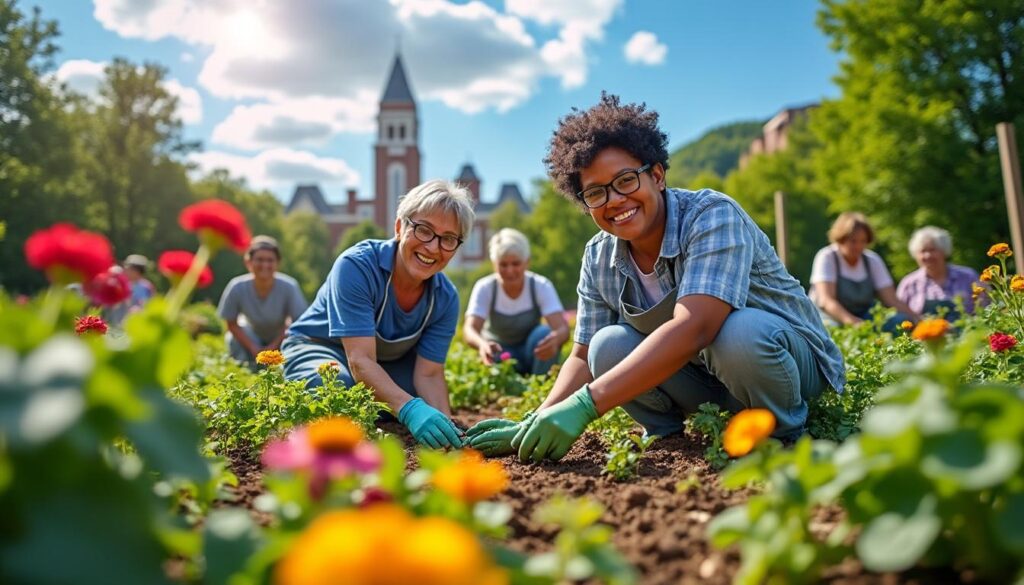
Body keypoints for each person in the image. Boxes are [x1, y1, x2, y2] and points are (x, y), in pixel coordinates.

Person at [465, 94, 845, 462]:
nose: (615, 200)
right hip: (710, 381)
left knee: (739, 332)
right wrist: (538, 417)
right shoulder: (599, 256)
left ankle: (782, 436)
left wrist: (586, 405)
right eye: (595, 193)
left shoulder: (711, 216)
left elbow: (696, 327)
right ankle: (668, 437)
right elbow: (581, 356)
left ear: (657, 176)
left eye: (626, 180)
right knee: (606, 346)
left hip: (785, 369)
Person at [281, 180, 474, 450]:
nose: (433, 247)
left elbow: (429, 375)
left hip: (383, 362)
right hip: (323, 348)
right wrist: (409, 409)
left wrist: (447, 428)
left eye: (448, 239)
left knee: (409, 395)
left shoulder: (445, 297)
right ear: (399, 227)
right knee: (335, 389)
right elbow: (360, 359)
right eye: (423, 230)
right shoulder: (357, 266)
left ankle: (377, 407)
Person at [463, 228, 569, 375]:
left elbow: (562, 328)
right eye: (503, 264)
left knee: (545, 333)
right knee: (494, 353)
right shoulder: (486, 287)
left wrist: (555, 340)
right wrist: (482, 344)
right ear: (494, 264)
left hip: (532, 352)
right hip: (500, 354)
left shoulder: (540, 286)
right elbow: (470, 329)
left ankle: (541, 381)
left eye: (516, 264)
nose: (510, 270)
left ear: (527, 262)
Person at [809, 212, 920, 328]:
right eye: (853, 241)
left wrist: (916, 318)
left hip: (864, 316)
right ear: (841, 239)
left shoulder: (872, 260)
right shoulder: (827, 257)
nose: (858, 246)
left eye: (863, 241)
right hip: (829, 317)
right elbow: (826, 301)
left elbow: (891, 300)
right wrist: (853, 322)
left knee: (898, 320)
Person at [217, 235, 308, 367]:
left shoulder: (289, 286)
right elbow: (231, 324)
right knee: (231, 338)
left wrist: (273, 347)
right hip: (251, 337)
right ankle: (244, 369)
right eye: (259, 260)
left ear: (278, 263)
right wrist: (253, 347)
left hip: (281, 338)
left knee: (297, 339)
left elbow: (297, 322)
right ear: (248, 262)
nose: (265, 265)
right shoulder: (237, 286)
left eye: (270, 260)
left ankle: (288, 370)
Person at [896, 226, 982, 319]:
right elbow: (899, 316)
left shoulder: (968, 276)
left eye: (932, 250)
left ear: (944, 251)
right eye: (923, 251)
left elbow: (985, 308)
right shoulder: (909, 284)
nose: (927, 255)